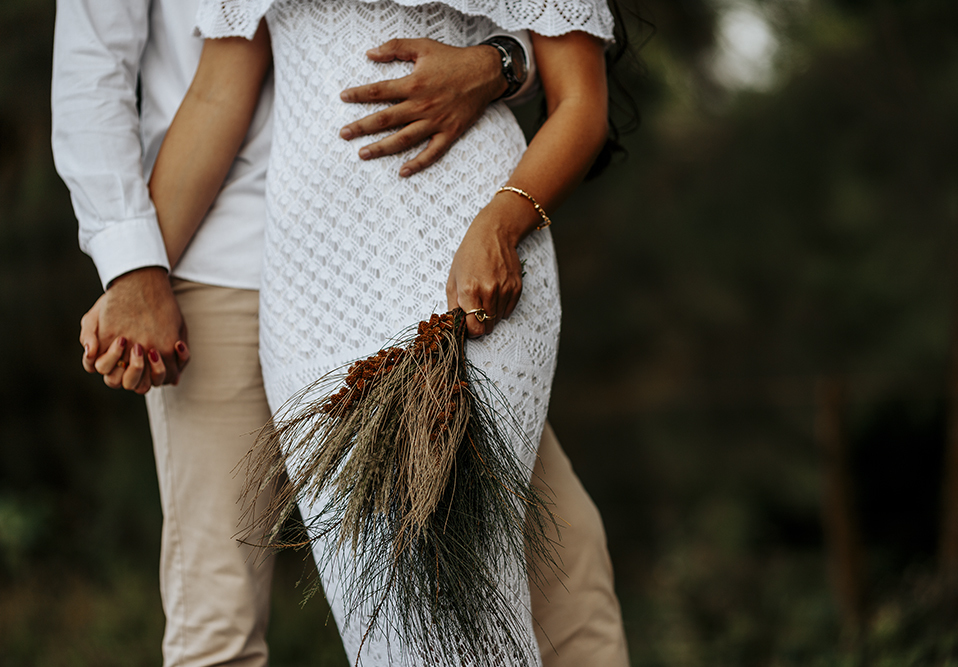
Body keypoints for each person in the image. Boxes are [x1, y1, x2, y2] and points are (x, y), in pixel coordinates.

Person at [51, 1, 629, 666]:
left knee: (556, 577)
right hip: (242, 268)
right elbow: (121, 73)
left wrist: (497, 65)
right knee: (236, 611)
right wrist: (133, 273)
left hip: (443, 255)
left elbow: (559, 67)